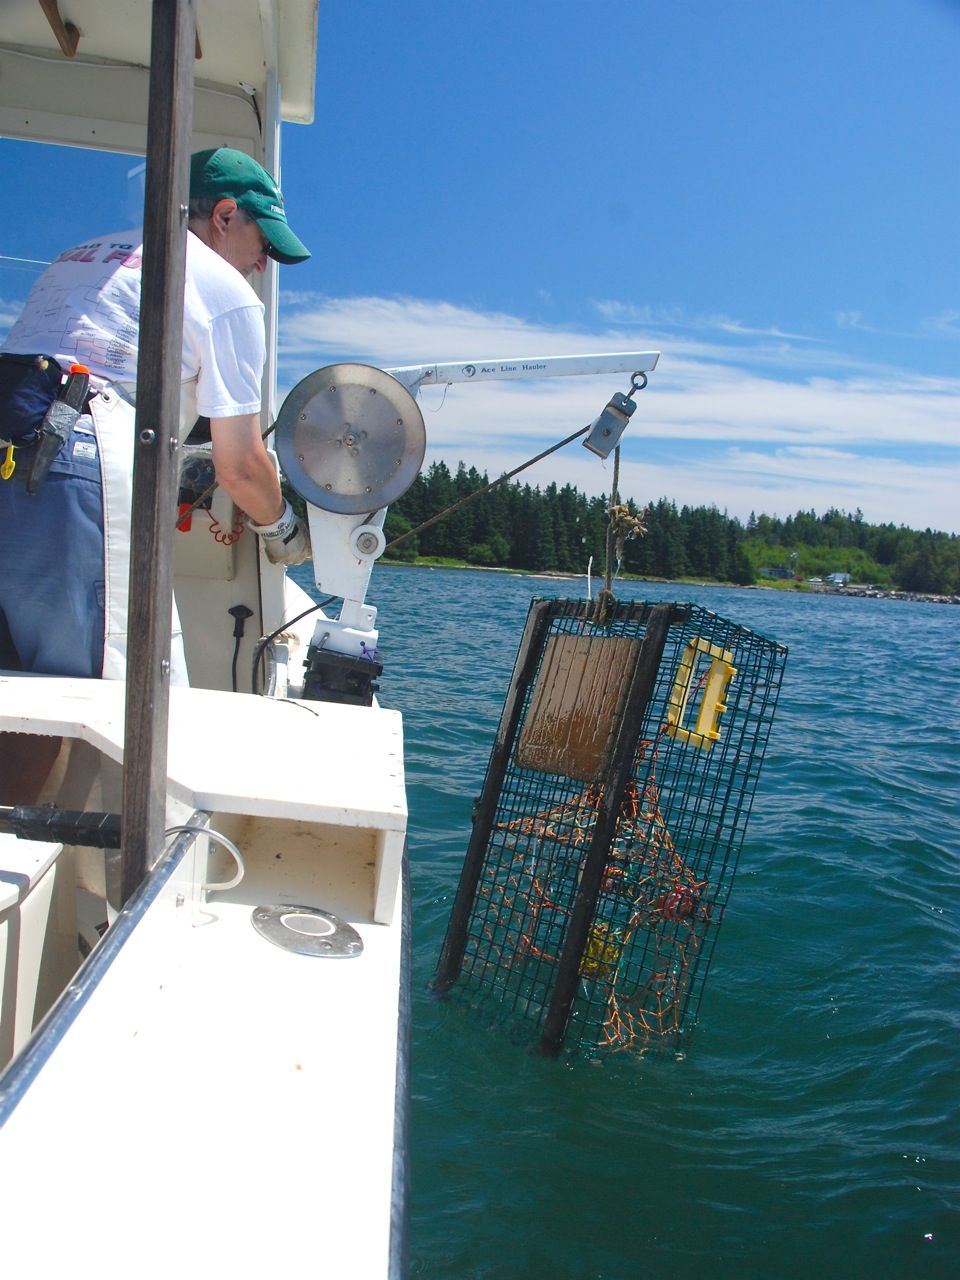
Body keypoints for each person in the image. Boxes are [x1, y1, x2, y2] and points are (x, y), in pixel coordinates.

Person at [0, 147, 310, 799]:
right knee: (143, 706)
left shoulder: (81, 256)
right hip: (74, 459)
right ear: (225, 215)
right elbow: (241, 464)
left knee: (22, 687)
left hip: (15, 447)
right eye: (263, 242)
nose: (263, 264)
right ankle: (139, 888)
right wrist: (285, 529)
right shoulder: (224, 292)